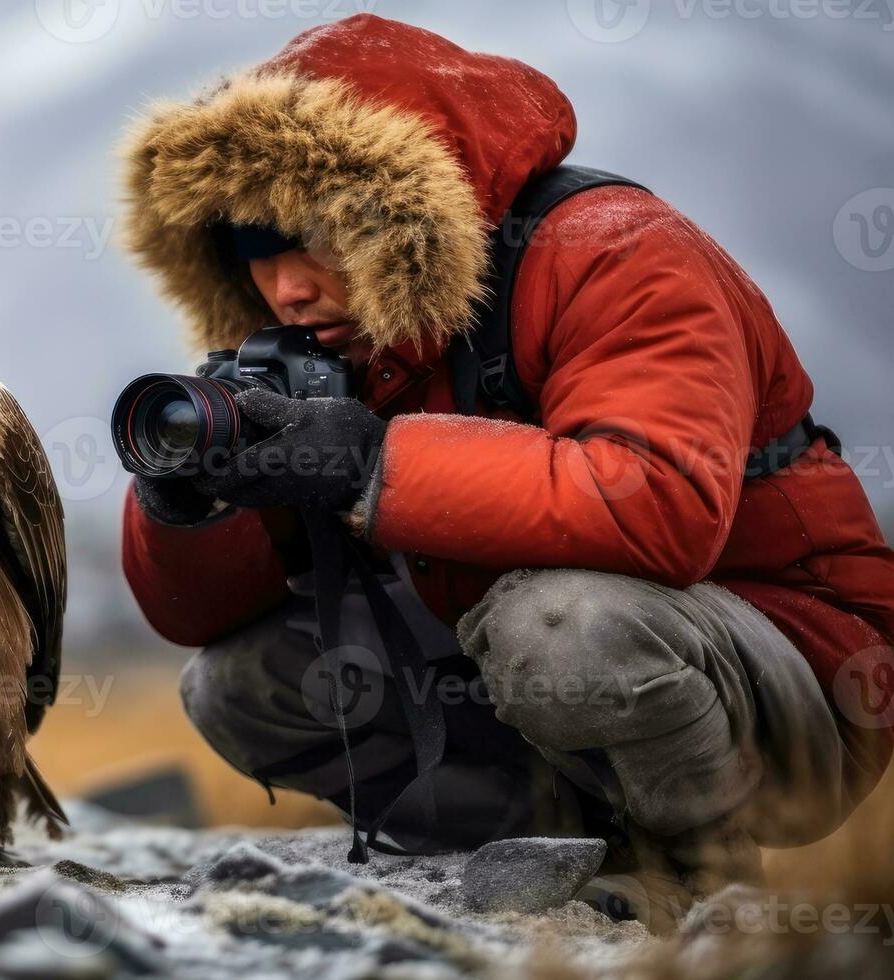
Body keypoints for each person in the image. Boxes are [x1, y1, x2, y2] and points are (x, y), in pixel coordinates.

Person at [116, 14, 894, 926]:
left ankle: (703, 879)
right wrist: (191, 505)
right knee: (241, 683)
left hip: (800, 673)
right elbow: (190, 622)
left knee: (560, 621)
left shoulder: (616, 251)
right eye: (252, 246)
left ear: (401, 210)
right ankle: (532, 856)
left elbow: (660, 506)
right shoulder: (323, 338)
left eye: (314, 232)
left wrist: (368, 463)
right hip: (537, 659)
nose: (285, 287)